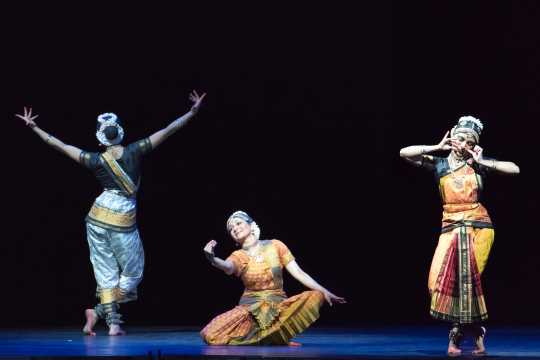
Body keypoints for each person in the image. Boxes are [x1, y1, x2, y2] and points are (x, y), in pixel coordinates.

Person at [15, 90, 206, 336]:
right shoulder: (135, 150)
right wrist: (191, 112)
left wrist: (34, 127)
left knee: (106, 271)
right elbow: (169, 130)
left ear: (100, 139)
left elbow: (61, 146)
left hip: (96, 217)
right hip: (121, 218)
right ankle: (101, 313)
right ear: (119, 132)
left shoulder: (95, 159)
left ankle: (111, 322)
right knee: (133, 272)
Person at [399, 116, 519, 356]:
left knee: (466, 285)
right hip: (451, 226)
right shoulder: (439, 164)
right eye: (460, 137)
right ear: (452, 137)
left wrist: (484, 161)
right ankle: (477, 332)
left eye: (468, 141)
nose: (462, 143)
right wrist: (436, 147)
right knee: (437, 283)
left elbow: (515, 169)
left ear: (474, 146)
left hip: (479, 227)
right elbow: (404, 153)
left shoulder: (478, 164)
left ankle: (456, 336)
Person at [201, 210, 346, 346]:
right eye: (231, 229)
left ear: (251, 224)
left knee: (316, 296)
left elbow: (299, 273)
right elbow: (228, 266)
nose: (235, 228)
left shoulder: (276, 245)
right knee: (210, 334)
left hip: (278, 308)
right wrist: (213, 259)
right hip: (249, 310)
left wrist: (326, 292)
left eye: (238, 223)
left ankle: (272, 336)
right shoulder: (238, 255)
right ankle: (273, 338)